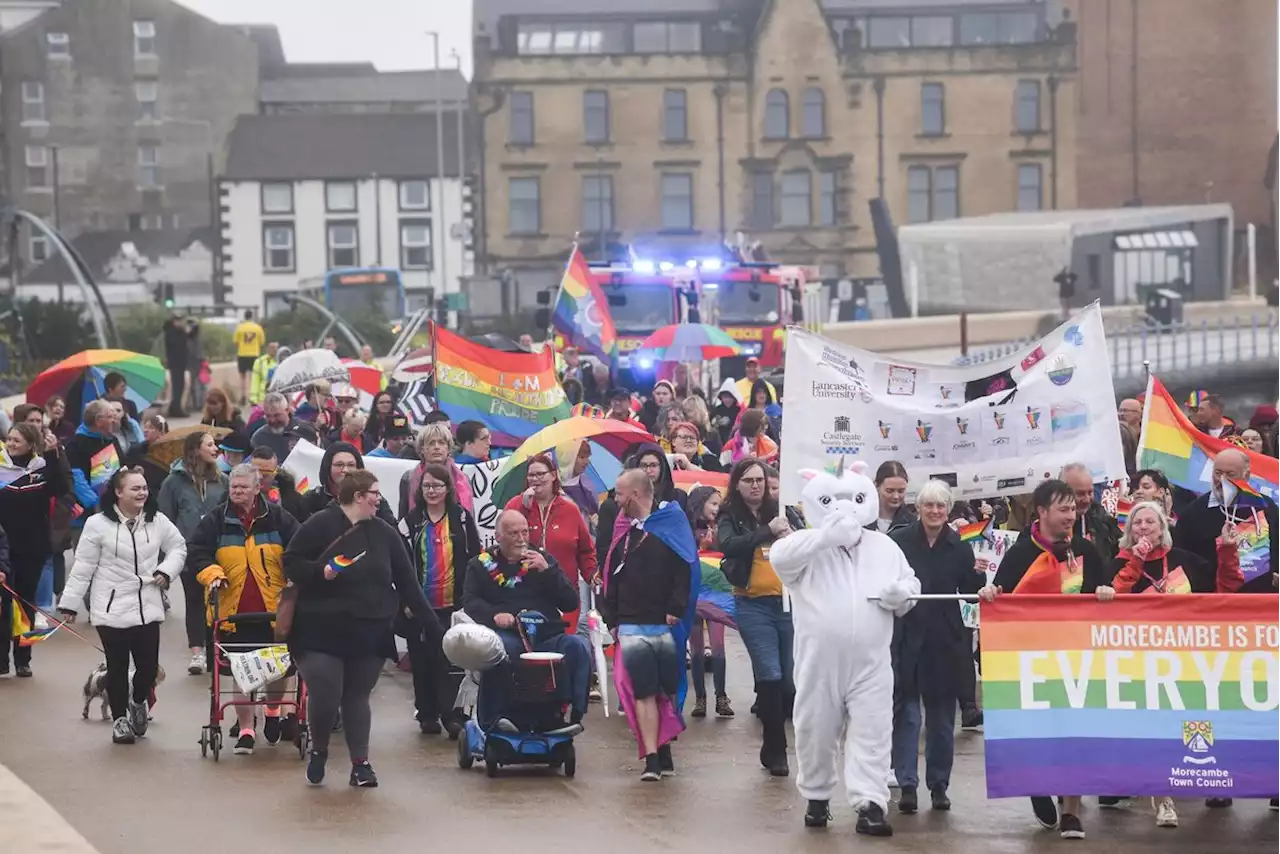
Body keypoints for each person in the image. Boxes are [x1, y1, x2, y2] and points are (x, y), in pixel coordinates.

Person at [768, 460, 920, 837]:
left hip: (871, 662)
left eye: (852, 499)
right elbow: (780, 559)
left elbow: (910, 585)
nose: (844, 508)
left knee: (873, 730)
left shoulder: (884, 547)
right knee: (815, 729)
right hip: (820, 662)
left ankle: (870, 804)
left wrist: (902, 595)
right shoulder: (803, 547)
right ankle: (817, 797)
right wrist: (823, 537)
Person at [284, 470, 440, 787]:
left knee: (357, 696)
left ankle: (361, 764)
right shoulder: (320, 524)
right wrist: (319, 573)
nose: (379, 499)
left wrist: (436, 629)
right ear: (358, 496)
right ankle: (320, 750)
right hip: (318, 629)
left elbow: (408, 583)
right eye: (375, 493)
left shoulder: (384, 533)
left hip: (369, 630)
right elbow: (291, 561)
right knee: (326, 692)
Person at [982, 478, 1113, 839]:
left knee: (1075, 733)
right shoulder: (1021, 553)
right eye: (1063, 509)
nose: (1070, 515)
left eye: (1073, 509)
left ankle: (1070, 811)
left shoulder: (1086, 550)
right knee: (1037, 733)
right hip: (1031, 661)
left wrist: (1105, 591)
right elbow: (1000, 596)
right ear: (1042, 512)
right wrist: (991, 592)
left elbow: (1106, 592)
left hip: (1077, 658)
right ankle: (1038, 784)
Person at [58, 468, 186, 744]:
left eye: (144, 488)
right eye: (135, 489)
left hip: (148, 605)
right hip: (110, 608)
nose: (142, 493)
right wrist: (69, 604)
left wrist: (165, 571)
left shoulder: (157, 521)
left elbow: (178, 547)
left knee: (148, 668)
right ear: (118, 492)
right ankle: (119, 720)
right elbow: (83, 568)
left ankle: (138, 702)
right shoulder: (97, 525)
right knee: (116, 667)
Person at [188, 463, 300, 754]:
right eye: (233, 487)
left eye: (242, 487)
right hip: (233, 612)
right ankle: (247, 729)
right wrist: (212, 572)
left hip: (274, 610)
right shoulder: (216, 520)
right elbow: (197, 552)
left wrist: (293, 572)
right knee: (243, 671)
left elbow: (299, 549)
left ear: (257, 488)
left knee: (276, 670)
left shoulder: (278, 518)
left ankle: (273, 713)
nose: (236, 491)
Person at [889, 479, 984, 814]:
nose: (934, 511)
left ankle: (939, 785)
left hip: (945, 641)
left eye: (940, 506)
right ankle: (907, 785)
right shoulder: (897, 541)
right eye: (928, 505)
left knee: (943, 721)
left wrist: (979, 577)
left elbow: (970, 590)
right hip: (907, 638)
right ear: (919, 508)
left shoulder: (959, 546)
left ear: (947, 509)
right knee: (907, 717)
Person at [601, 469, 695, 781]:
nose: (616, 499)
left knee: (662, 691)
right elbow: (610, 573)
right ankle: (651, 758)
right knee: (636, 689)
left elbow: (685, 568)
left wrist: (675, 608)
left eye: (619, 493)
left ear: (636, 495)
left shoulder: (670, 525)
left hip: (663, 623)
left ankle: (663, 751)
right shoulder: (622, 530)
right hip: (629, 624)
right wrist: (611, 617)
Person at [462, 510, 590, 730]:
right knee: (500, 650)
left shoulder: (543, 560)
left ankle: (572, 714)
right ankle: (496, 718)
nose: (521, 539)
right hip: (508, 633)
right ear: (498, 536)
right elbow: (470, 601)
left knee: (577, 646)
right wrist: (494, 615)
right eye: (514, 533)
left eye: (524, 532)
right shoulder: (480, 564)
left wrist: (548, 571)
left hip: (545, 634)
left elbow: (570, 602)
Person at [718, 458, 794, 777]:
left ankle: (771, 742)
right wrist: (766, 532)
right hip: (753, 605)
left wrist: (790, 532)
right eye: (748, 480)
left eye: (760, 480)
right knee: (770, 674)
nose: (755, 485)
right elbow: (728, 545)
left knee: (788, 679)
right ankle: (777, 750)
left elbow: (805, 540)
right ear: (737, 483)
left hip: (787, 605)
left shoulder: (781, 510)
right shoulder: (730, 514)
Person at [403, 462, 480, 736]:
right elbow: (400, 566)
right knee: (422, 661)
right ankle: (427, 714)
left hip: (454, 605)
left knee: (451, 661)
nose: (432, 491)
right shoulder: (411, 522)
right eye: (427, 486)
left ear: (448, 488)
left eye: (437, 485)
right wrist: (407, 602)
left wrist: (470, 600)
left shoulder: (460, 518)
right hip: (420, 608)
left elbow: (475, 558)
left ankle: (452, 716)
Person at [157, 431, 229, 676]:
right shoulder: (173, 482)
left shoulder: (223, 480)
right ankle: (198, 653)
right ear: (195, 449)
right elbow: (163, 519)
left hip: (220, 551)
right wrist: (161, 562)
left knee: (218, 602)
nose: (215, 448)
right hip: (188, 551)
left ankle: (215, 651)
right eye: (209, 444)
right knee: (195, 601)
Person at [503, 454, 597, 633]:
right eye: (531, 475)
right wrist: (523, 507)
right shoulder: (516, 505)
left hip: (563, 591)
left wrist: (592, 575)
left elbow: (585, 550)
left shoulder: (570, 509)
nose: (535, 479)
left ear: (553, 475)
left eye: (540, 474)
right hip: (524, 593)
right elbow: (504, 539)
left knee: (562, 645)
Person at [0, 423, 66, 677]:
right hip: (4, 549)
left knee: (26, 604)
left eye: (18, 440)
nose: (12, 443)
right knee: (3, 605)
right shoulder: (2, 468)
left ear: (31, 444)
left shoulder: (41, 470)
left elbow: (60, 489)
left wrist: (52, 455)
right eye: (10, 439)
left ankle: (23, 659)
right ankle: (2, 660)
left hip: (33, 548)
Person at [596, 444, 688, 568]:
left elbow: (684, 541)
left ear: (663, 467)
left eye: (653, 465)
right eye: (644, 465)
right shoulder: (615, 504)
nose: (648, 470)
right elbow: (605, 547)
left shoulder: (677, 499)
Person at [685, 486, 733, 718]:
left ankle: (721, 696)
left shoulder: (724, 527)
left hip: (717, 591)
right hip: (694, 591)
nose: (716, 508)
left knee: (718, 646)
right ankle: (700, 698)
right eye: (713, 503)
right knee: (695, 647)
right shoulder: (688, 528)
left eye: (718, 503)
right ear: (701, 502)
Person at [298, 442, 398, 527]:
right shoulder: (313, 499)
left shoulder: (374, 498)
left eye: (351, 465)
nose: (345, 470)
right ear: (328, 467)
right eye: (339, 465)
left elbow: (393, 533)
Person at [66, 400, 125, 523]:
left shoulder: (112, 439)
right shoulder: (76, 444)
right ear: (98, 421)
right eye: (110, 417)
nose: (114, 421)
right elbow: (76, 478)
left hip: (116, 507)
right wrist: (96, 503)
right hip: (88, 514)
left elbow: (122, 467)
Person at [401, 423, 474, 519]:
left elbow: (471, 520)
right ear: (422, 449)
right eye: (431, 443)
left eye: (441, 442)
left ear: (448, 448)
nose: (436, 447)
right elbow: (402, 518)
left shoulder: (463, 478)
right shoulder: (408, 478)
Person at [1061, 462, 1122, 563]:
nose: (1087, 499)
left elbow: (1119, 550)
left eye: (1090, 492)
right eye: (1080, 494)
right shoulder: (1049, 529)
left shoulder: (1100, 518)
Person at [250, 446, 305, 521]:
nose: (259, 477)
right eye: (256, 472)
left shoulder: (293, 500)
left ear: (275, 472)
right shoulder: (237, 495)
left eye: (265, 474)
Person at [872, 461, 915, 534]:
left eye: (901, 491)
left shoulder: (913, 523)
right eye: (889, 491)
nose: (896, 496)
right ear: (877, 486)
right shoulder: (863, 519)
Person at [250, 393, 296, 462]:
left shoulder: (304, 430)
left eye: (277, 415)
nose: (272, 420)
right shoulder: (259, 438)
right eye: (268, 416)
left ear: (287, 410)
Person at [234, 310, 266, 405]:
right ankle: (253, 397)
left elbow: (235, 342)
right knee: (253, 377)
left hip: (242, 354)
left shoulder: (240, 328)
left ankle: (243, 396)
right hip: (254, 354)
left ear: (244, 317)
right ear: (252, 317)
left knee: (242, 377)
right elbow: (262, 342)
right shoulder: (258, 328)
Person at [163, 314, 190, 418]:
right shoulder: (171, 332)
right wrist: (183, 333)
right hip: (175, 362)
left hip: (180, 362)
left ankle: (176, 407)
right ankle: (176, 409)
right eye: (180, 321)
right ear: (175, 321)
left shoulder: (178, 332)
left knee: (180, 386)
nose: (182, 323)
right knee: (177, 387)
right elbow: (177, 344)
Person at [681, 394, 723, 458]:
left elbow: (718, 456)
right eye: (684, 411)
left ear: (699, 411)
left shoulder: (712, 434)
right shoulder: (681, 432)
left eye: (689, 410)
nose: (685, 414)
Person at [712, 380, 743, 447]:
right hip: (718, 441)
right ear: (721, 397)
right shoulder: (716, 410)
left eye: (729, 397)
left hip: (735, 441)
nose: (727, 400)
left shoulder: (739, 410)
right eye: (725, 397)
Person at [249, 341, 279, 407]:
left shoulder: (281, 361)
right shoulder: (260, 362)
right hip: (263, 399)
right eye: (272, 347)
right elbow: (255, 381)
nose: (274, 350)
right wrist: (254, 399)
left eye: (276, 347)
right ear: (267, 348)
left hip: (279, 398)